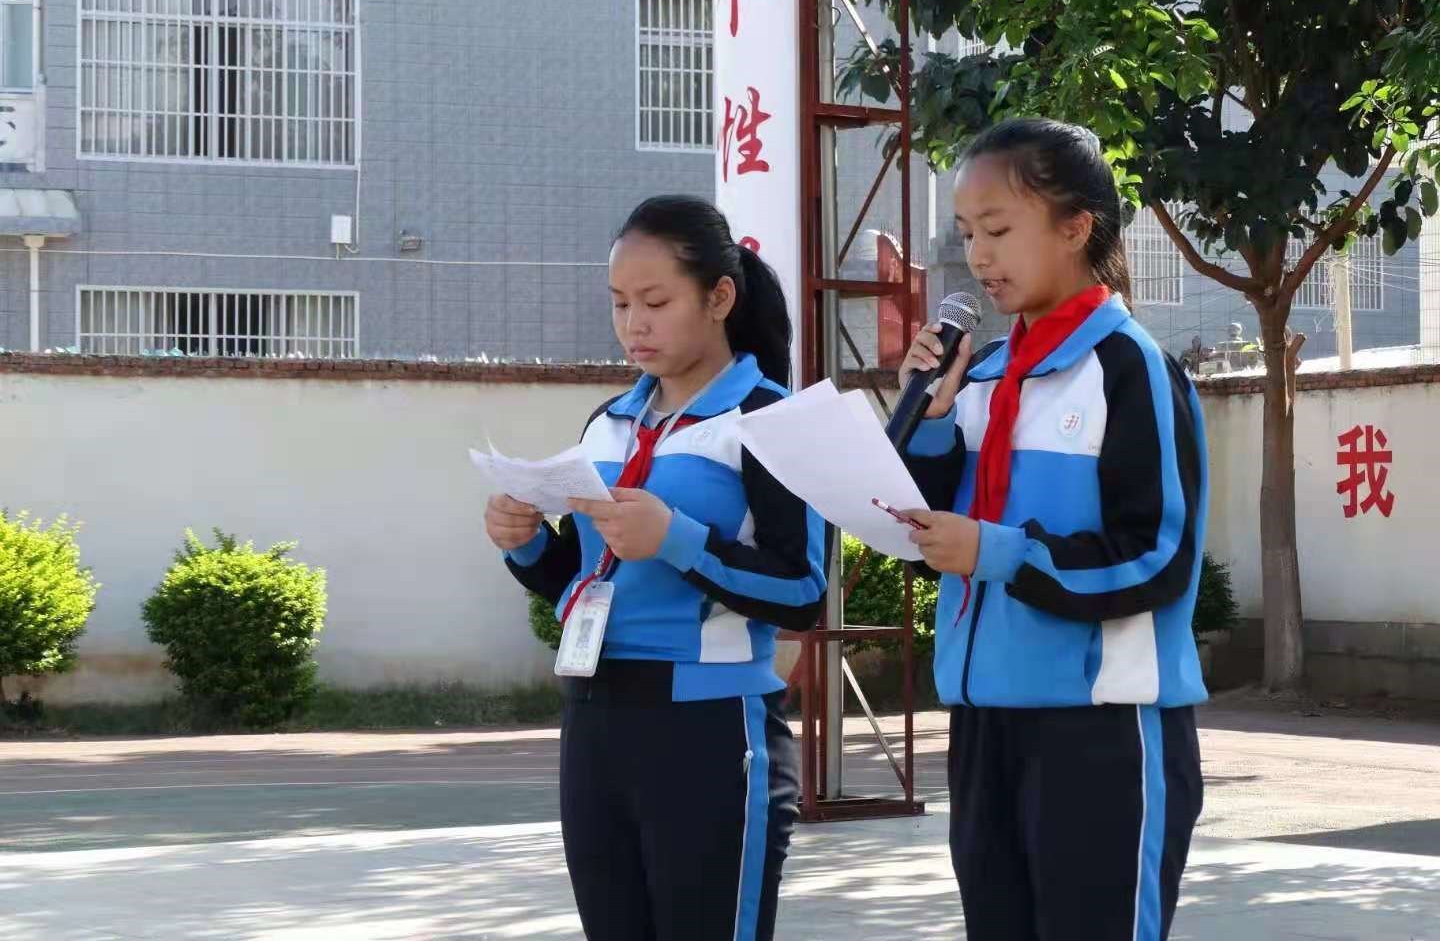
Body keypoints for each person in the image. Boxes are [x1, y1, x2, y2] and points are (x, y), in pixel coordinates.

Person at [483, 194, 827, 941]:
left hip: (711, 729)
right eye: (619, 303)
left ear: (719, 298)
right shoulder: (608, 423)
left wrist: (678, 539)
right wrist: (525, 543)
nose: (633, 323)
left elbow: (803, 594)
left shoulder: (773, 421)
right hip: (595, 722)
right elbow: (584, 578)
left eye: (656, 301)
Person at [896, 118, 1207, 941]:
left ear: (1076, 227)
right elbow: (931, 540)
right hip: (983, 720)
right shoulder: (978, 375)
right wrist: (929, 420)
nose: (978, 256)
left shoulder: (1130, 368)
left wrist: (998, 552)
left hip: (1101, 728)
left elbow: (1158, 556)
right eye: (967, 233)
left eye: (998, 230)